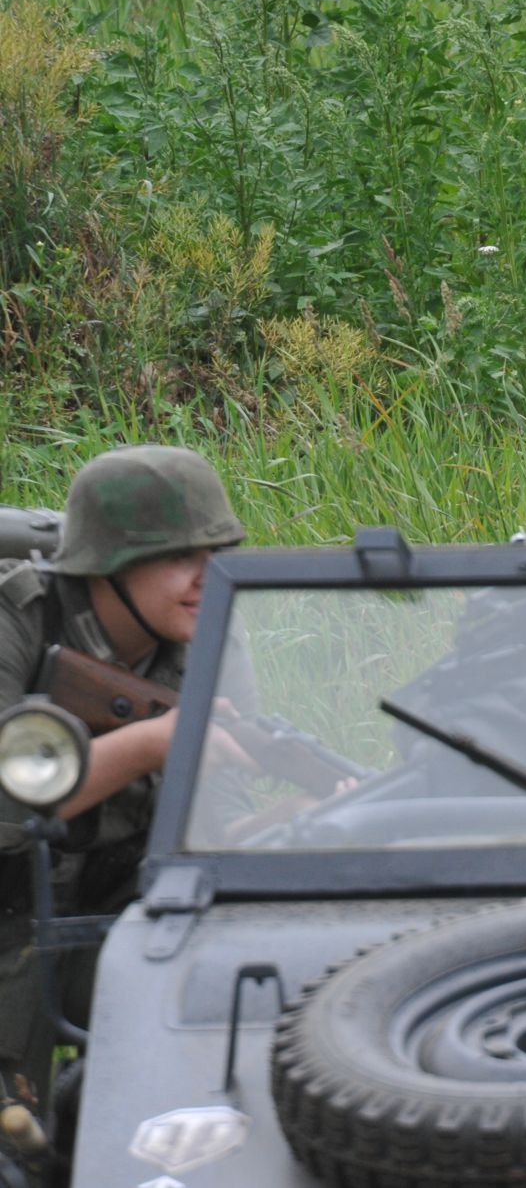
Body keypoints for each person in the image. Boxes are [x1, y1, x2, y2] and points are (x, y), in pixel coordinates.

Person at [0, 445, 244, 1115]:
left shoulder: (212, 635)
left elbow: (213, 830)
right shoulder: (15, 618)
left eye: (219, 550)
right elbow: (7, 808)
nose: (205, 576)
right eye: (179, 556)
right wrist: (151, 744)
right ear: (106, 564)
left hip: (113, 910)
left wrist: (301, 821)